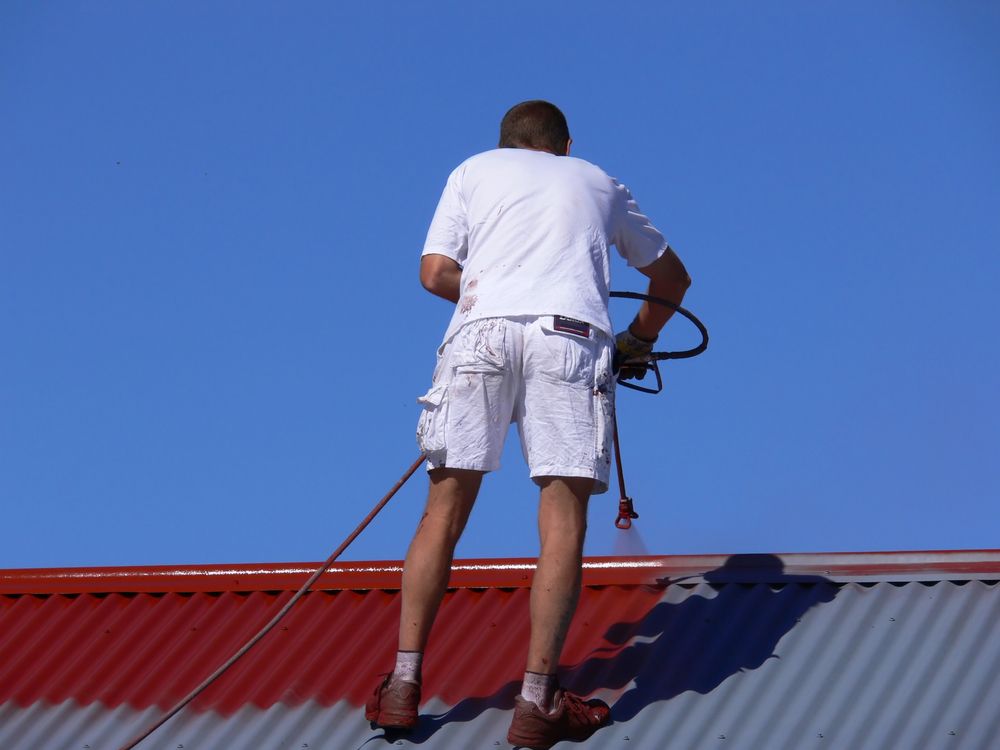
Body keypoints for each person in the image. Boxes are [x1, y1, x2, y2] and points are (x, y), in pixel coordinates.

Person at [365, 100, 691, 749]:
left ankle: (403, 687)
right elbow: (672, 278)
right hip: (570, 335)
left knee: (444, 510)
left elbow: (434, 273)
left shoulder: (472, 171)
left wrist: (497, 289)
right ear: (565, 146)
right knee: (562, 517)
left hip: (479, 334)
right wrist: (636, 341)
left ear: (506, 145)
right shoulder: (599, 181)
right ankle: (536, 701)